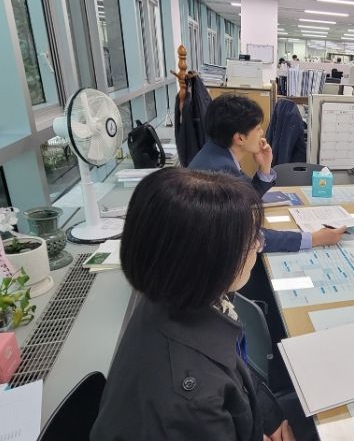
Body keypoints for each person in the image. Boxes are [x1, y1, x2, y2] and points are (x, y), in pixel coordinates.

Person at [91, 169, 297, 440]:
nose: (258, 247)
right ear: (210, 261)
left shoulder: (170, 293)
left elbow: (236, 369)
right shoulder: (192, 400)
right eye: (251, 242)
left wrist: (269, 416)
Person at [189, 94, 345, 253]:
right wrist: (314, 239)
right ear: (240, 138)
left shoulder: (216, 153)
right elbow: (250, 238)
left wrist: (264, 167)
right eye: (257, 129)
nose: (262, 132)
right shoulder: (220, 174)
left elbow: (247, 197)